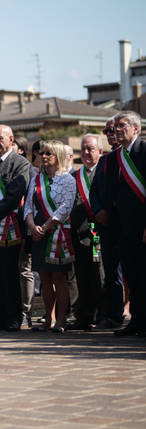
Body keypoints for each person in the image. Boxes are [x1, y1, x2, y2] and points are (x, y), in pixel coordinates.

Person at [25, 140, 76, 333]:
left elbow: (65, 208)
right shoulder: (37, 179)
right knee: (44, 277)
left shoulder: (68, 180)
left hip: (57, 233)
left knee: (58, 277)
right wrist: (32, 226)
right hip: (38, 232)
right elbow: (28, 206)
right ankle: (49, 318)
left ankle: (61, 320)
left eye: (48, 153)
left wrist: (45, 227)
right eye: (42, 153)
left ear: (58, 156)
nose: (44, 156)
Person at [0, 125, 30, 331]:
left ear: (11, 139)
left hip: (10, 226)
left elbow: (14, 195)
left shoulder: (20, 163)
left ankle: (13, 317)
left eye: (0, 138)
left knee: (10, 274)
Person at [107, 111, 146, 337]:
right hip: (123, 228)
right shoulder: (115, 158)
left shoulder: (144, 151)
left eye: (122, 126)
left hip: (142, 227)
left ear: (136, 128)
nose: (117, 130)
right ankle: (137, 322)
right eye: (115, 127)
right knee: (131, 277)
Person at [90, 118, 124, 329]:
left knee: (133, 273)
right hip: (107, 225)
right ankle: (114, 315)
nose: (110, 133)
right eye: (107, 131)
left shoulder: (135, 156)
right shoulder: (104, 161)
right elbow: (95, 191)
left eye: (113, 129)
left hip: (128, 223)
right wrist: (98, 210)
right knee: (111, 273)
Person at [69, 134, 104, 330]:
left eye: (90, 148)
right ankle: (84, 315)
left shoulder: (105, 172)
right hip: (80, 235)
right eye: (83, 149)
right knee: (83, 276)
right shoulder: (74, 176)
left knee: (101, 276)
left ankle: (104, 313)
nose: (86, 153)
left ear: (100, 151)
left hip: (100, 233)